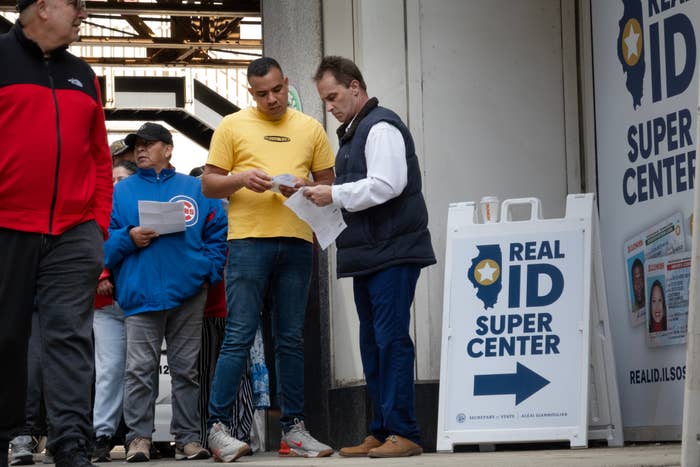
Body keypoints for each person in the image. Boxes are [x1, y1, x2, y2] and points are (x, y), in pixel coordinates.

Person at [201, 56, 335, 461]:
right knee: (239, 334)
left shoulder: (310, 127)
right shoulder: (232, 126)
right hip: (247, 243)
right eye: (262, 94)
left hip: (296, 240)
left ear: (287, 83)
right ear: (250, 92)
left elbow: (330, 185)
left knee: (291, 338)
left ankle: (293, 430)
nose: (272, 99)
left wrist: (306, 185)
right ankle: (217, 428)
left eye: (277, 90)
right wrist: (241, 178)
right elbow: (207, 183)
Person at [304, 56, 436, 458]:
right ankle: (381, 430)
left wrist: (334, 193)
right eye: (325, 100)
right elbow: (360, 186)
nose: (330, 106)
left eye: (333, 96)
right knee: (373, 342)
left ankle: (404, 431)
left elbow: (388, 184)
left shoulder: (379, 127)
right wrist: (315, 190)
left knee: (390, 340)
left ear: (355, 87)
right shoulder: (356, 133)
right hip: (371, 253)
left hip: (393, 251)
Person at [0, 0, 113, 465]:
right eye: (77, 4)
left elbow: (100, 158)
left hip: (73, 233)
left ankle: (72, 448)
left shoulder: (83, 74)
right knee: (6, 337)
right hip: (6, 226)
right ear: (43, 7)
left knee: (70, 339)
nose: (84, 12)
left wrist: (97, 225)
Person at [104, 123, 227, 463]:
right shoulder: (121, 191)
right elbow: (104, 241)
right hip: (140, 292)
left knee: (186, 370)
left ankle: (188, 439)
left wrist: (208, 271)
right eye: (137, 145)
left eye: (148, 144)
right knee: (139, 371)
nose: (140, 150)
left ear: (168, 149)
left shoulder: (195, 188)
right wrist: (128, 238)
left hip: (188, 292)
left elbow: (218, 230)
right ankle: (139, 439)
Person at [92, 160, 138, 463]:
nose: (116, 183)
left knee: (140, 373)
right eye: (113, 179)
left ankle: (141, 435)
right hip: (106, 306)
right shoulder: (99, 207)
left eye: (123, 178)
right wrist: (101, 274)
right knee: (108, 371)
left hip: (139, 301)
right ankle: (102, 435)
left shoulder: (142, 205)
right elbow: (90, 245)